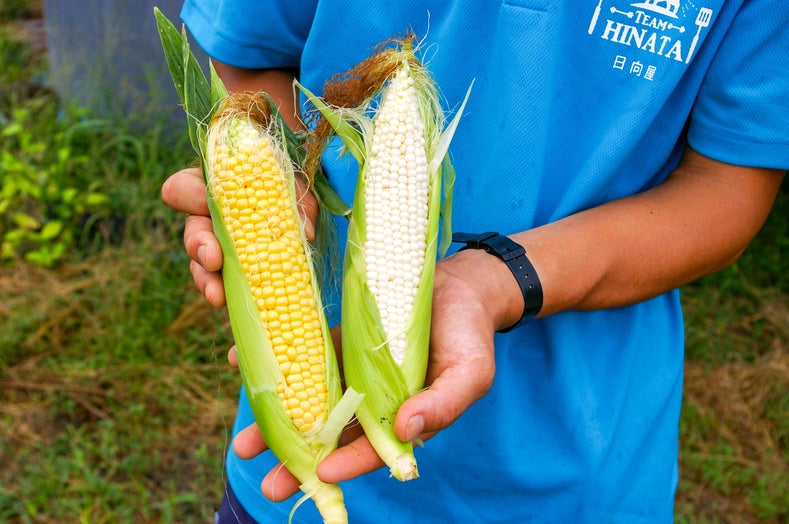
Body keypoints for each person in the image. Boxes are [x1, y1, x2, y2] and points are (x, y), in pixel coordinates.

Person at [161, 1, 788, 522]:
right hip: (309, 443)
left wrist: (497, 280)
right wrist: (271, 181)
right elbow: (252, 55)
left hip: (582, 466)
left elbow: (727, 189)